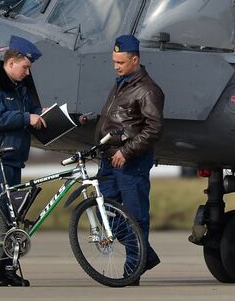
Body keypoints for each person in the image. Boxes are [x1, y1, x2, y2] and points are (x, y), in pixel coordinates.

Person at [0, 35, 45, 287]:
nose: (28, 72)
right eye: (25, 67)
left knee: (11, 218)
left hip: (13, 158)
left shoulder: (18, 87)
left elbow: (31, 109)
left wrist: (41, 114)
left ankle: (4, 270)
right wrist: (27, 119)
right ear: (12, 62)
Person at [95, 34, 164, 284]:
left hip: (131, 163)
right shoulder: (122, 83)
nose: (116, 66)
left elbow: (153, 129)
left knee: (136, 217)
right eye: (114, 61)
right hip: (109, 160)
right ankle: (145, 255)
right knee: (106, 213)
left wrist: (127, 151)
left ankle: (132, 271)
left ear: (135, 60)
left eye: (121, 62)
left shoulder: (148, 90)